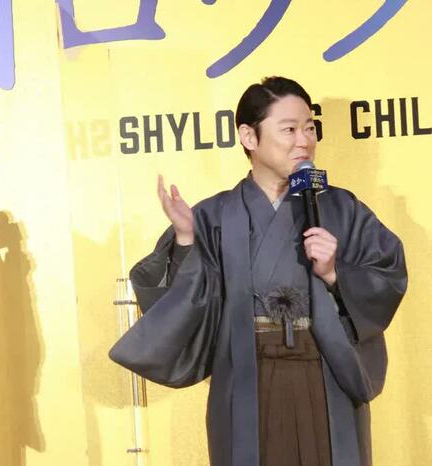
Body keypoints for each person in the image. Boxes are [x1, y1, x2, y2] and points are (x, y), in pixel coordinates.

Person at [109, 77, 407, 466]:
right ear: (249, 137)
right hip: (246, 378)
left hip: (327, 372)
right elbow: (183, 308)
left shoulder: (341, 209)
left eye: (309, 128)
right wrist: (185, 239)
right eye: (289, 129)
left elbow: (388, 275)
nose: (304, 141)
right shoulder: (214, 216)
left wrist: (337, 273)